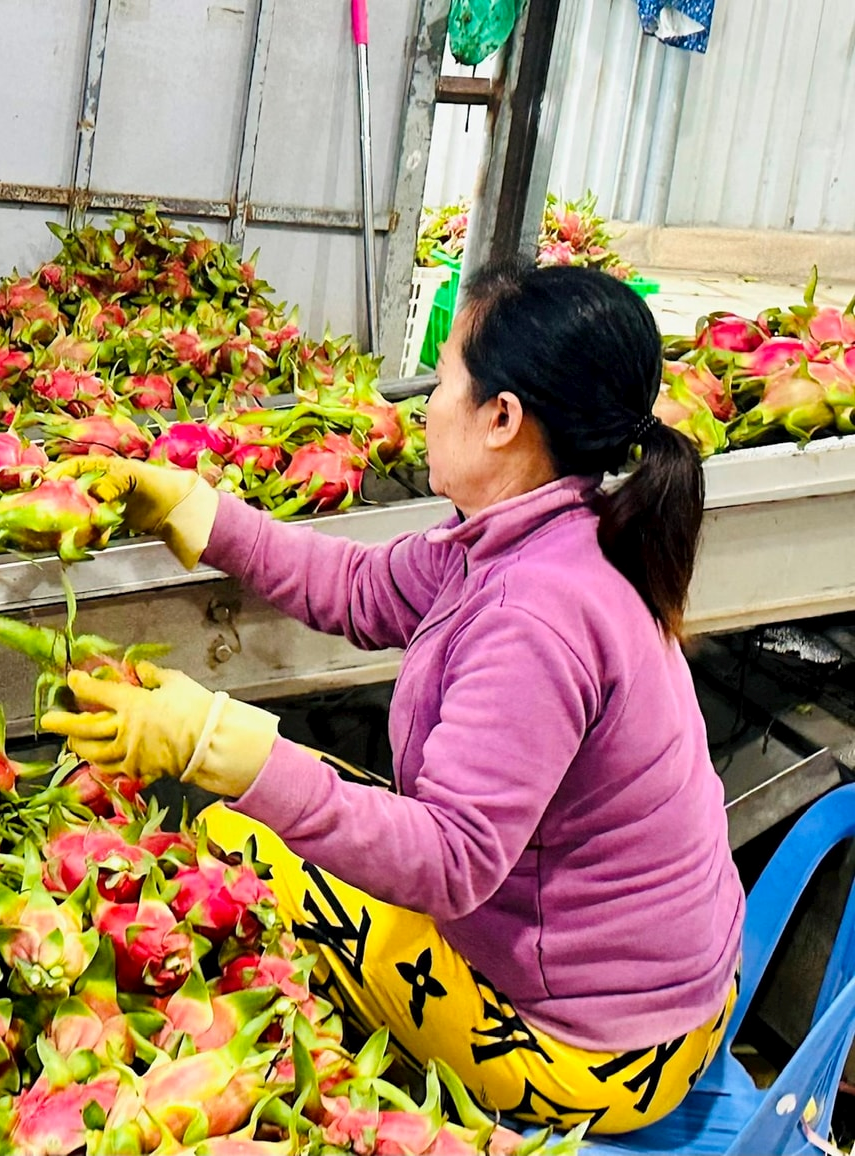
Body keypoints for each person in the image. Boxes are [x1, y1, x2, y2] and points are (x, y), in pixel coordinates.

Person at [43, 263, 744, 1134]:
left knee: (234, 845)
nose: (424, 404)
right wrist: (197, 512)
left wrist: (217, 746)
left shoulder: (537, 613)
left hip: (594, 1051)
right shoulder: (541, 531)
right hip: (661, 987)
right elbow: (362, 587)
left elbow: (451, 862)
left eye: (443, 377)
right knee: (273, 810)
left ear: (502, 419)